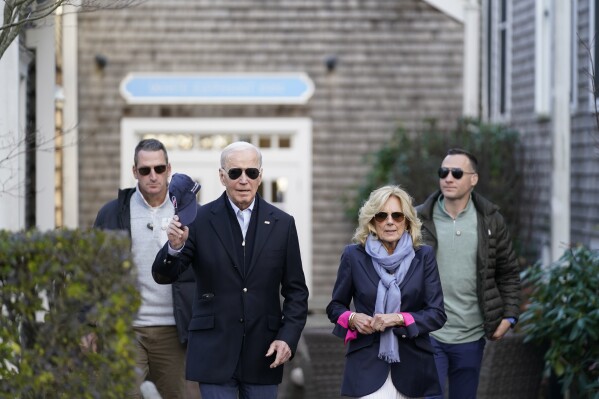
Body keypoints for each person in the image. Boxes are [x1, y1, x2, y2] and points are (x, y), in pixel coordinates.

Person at [152, 141, 309, 399]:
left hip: (264, 353)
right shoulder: (199, 220)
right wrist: (173, 247)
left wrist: (287, 338)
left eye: (252, 172)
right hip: (214, 352)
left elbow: (296, 292)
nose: (244, 180)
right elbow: (164, 275)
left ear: (260, 176)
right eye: (235, 173)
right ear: (222, 177)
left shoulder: (283, 224)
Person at [93, 138, 197, 399]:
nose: (153, 176)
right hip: (127, 328)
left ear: (168, 169)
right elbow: (94, 272)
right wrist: (89, 324)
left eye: (159, 169)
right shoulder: (113, 213)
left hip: (174, 330)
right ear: (134, 172)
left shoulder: (189, 213)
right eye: (145, 170)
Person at [416, 148, 521, 399]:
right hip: (429, 332)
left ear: (473, 179)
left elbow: (508, 273)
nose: (448, 178)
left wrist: (510, 317)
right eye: (443, 172)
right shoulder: (419, 218)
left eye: (456, 173)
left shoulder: (491, 221)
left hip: (471, 334)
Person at [326, 185, 447, 399]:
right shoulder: (353, 256)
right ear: (372, 222)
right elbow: (335, 307)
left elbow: (437, 314)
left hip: (414, 369)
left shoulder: (424, 256)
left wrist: (399, 319)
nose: (390, 221)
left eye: (397, 215)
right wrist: (353, 318)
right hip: (366, 366)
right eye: (382, 215)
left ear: (407, 220)